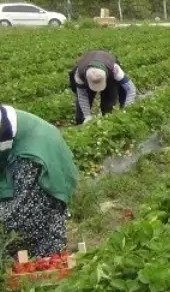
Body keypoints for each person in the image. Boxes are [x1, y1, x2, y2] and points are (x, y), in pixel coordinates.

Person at [0, 103, 79, 257]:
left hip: (37, 148)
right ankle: (40, 256)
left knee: (25, 210)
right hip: (26, 143)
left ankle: (42, 257)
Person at [68, 50, 138, 125]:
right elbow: (82, 96)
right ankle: (81, 126)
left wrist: (127, 107)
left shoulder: (114, 69)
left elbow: (130, 89)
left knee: (108, 108)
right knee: (80, 117)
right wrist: (87, 116)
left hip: (109, 78)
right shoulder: (79, 74)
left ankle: (107, 123)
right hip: (86, 78)